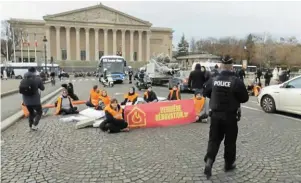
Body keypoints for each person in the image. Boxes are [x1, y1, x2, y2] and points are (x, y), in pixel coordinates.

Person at [202, 55, 249, 179]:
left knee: (214, 140)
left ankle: (209, 162)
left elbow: (205, 92)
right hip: (230, 116)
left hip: (215, 115)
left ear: (221, 66)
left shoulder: (214, 79)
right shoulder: (236, 80)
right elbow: (245, 98)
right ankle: (228, 164)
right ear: (232, 66)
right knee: (230, 142)